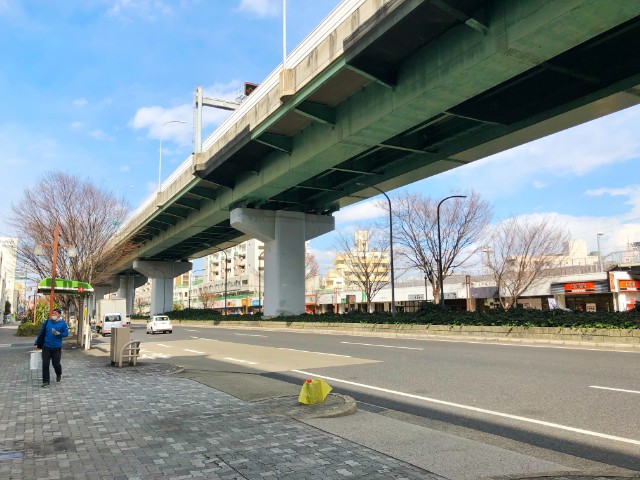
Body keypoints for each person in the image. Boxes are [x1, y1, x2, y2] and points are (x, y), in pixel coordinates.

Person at [34, 308, 69, 388]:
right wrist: (37, 342)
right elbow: (41, 333)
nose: (53, 315)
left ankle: (58, 373)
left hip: (57, 347)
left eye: (55, 313)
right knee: (45, 364)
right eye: (53, 313)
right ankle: (46, 381)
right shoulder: (47, 322)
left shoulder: (63, 324)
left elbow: (66, 334)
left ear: (59, 315)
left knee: (56, 364)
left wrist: (59, 333)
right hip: (46, 346)